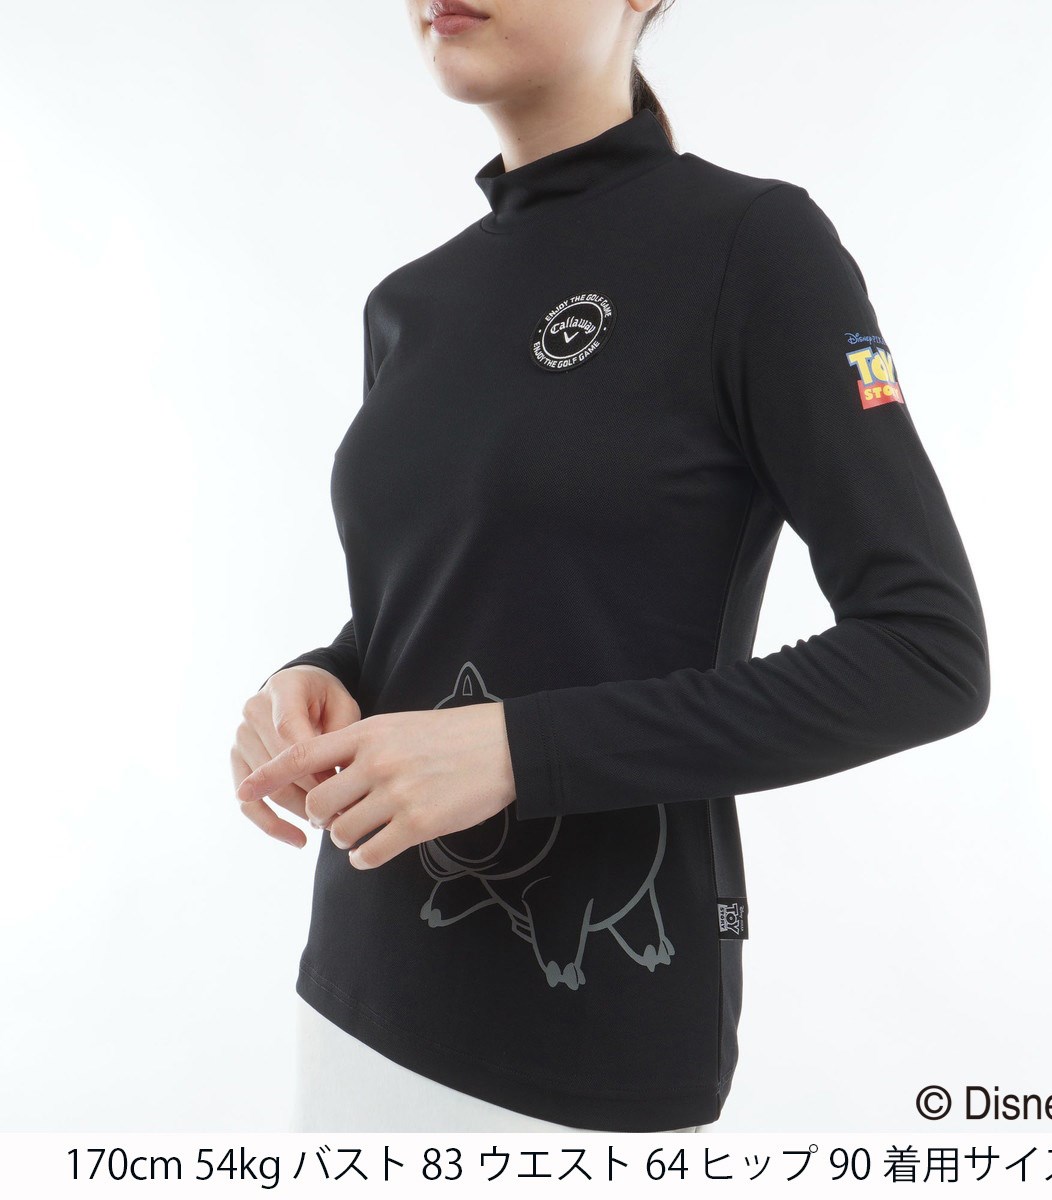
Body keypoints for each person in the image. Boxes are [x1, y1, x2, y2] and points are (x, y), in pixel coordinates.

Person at [231, 0, 990, 1134]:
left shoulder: (753, 246)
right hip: (352, 998)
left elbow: (928, 655)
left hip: (585, 1043)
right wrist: (316, 677)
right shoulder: (406, 306)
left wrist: (519, 751)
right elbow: (445, 600)